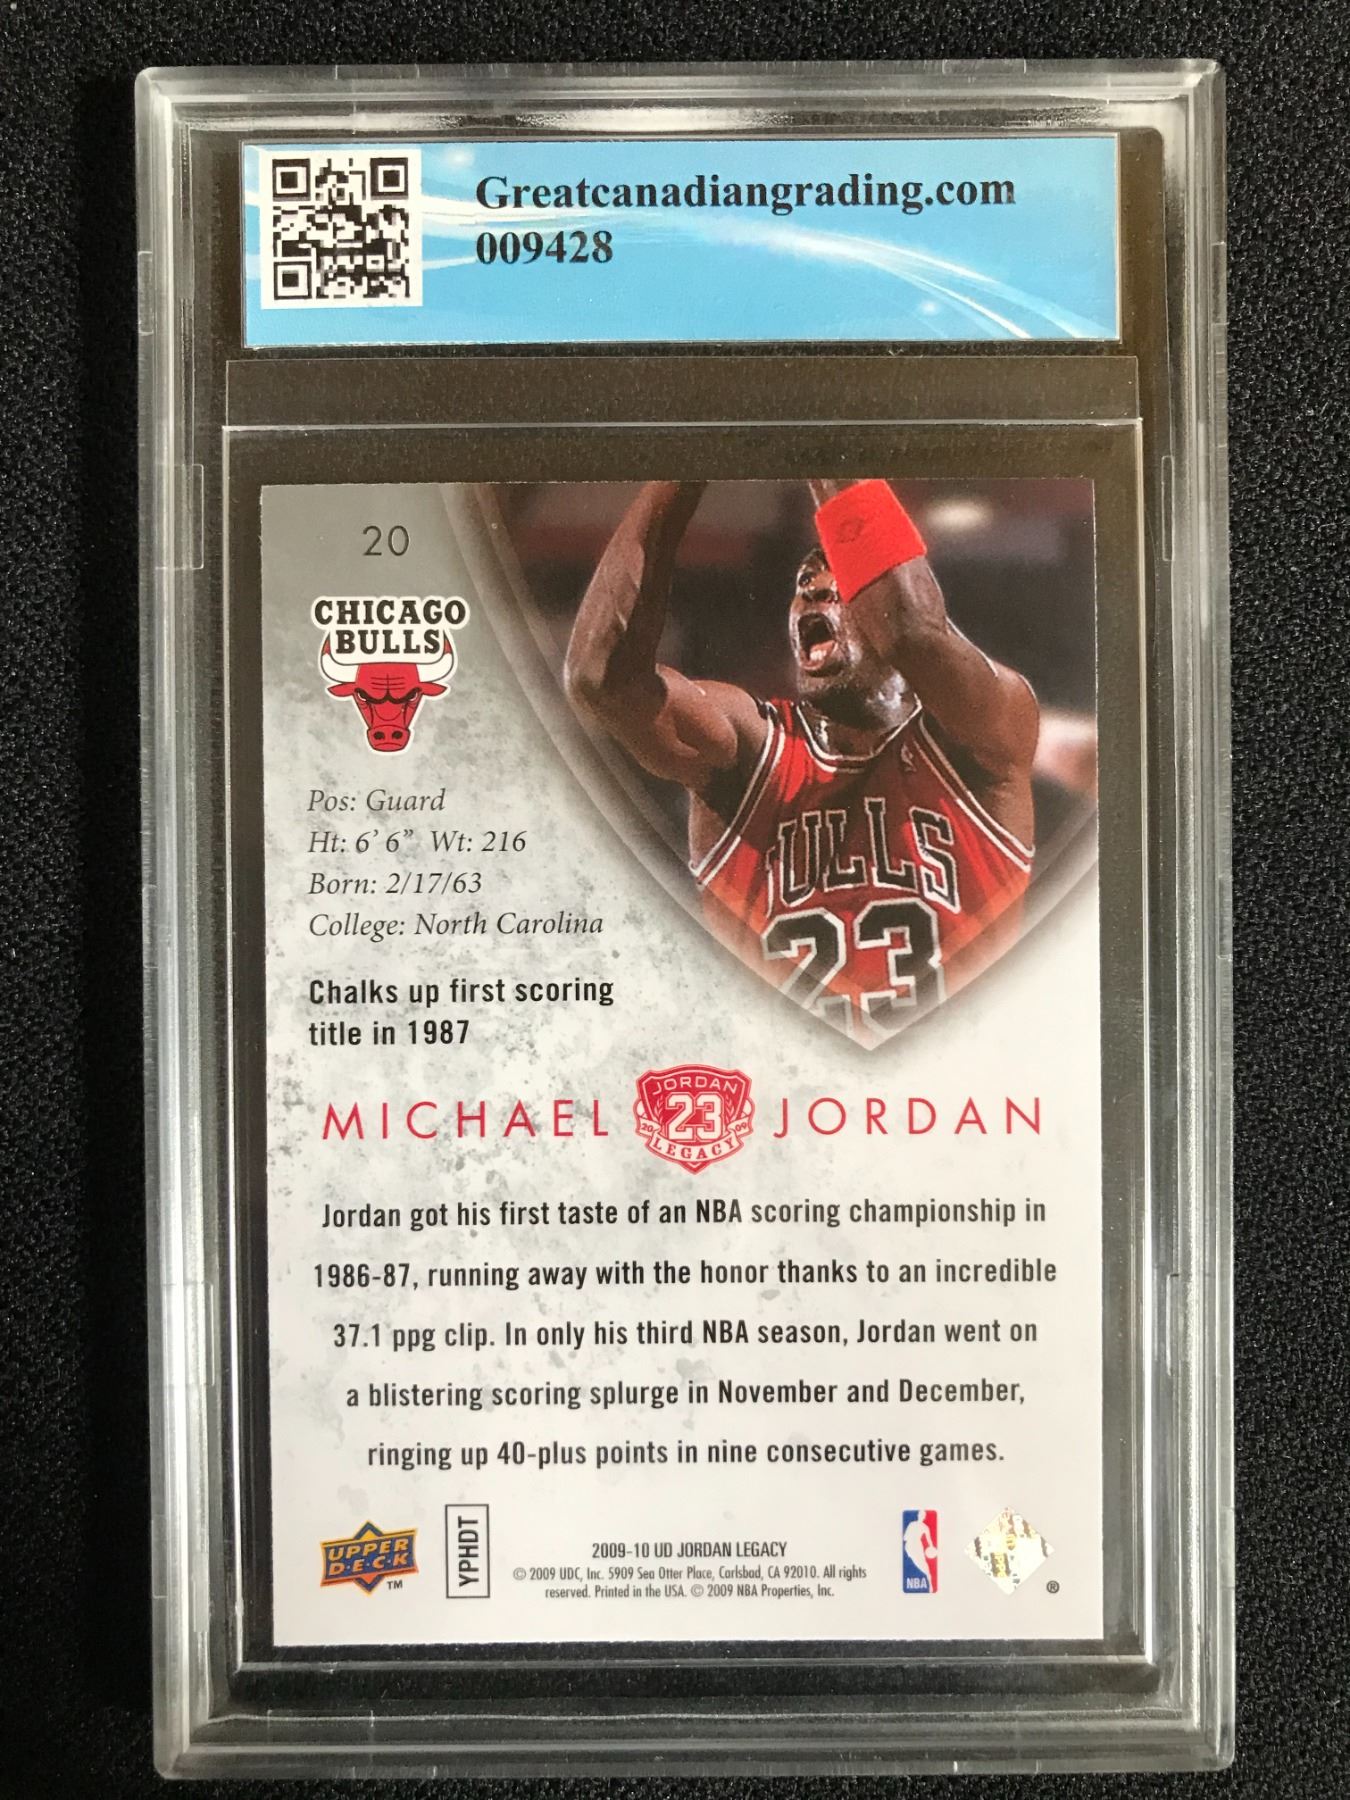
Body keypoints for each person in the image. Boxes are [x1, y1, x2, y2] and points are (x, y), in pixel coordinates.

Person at [564, 478, 1039, 1042]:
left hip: (949, 1089)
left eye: (841, 583)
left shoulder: (986, 731)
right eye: (804, 585)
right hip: (787, 1091)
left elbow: (912, 630)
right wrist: (680, 466)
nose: (814, 594)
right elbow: (600, 680)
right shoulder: (754, 749)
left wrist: (826, 444)